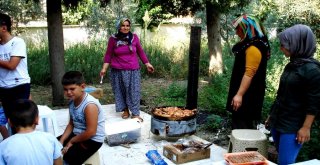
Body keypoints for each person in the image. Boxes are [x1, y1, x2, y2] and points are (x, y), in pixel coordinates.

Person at [265, 24, 320, 165]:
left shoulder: (313, 70)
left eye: (284, 44)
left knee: (285, 162)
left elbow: (314, 103)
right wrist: (271, 116)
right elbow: (281, 94)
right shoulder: (292, 65)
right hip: (279, 120)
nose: (281, 47)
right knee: (281, 159)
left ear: (297, 43)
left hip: (293, 125)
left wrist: (306, 127)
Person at [100, 17, 154, 122]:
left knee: (134, 91)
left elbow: (140, 52)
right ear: (119, 26)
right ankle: (125, 110)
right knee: (120, 91)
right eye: (123, 25)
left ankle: (135, 113)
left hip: (133, 70)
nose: (125, 27)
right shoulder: (113, 39)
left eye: (127, 25)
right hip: (117, 70)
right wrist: (104, 69)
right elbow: (108, 55)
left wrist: (147, 64)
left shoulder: (134, 37)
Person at [226, 14, 271, 129]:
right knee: (242, 128)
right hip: (246, 96)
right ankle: (242, 147)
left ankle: (243, 147)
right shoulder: (250, 44)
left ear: (246, 29)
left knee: (242, 129)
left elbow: (249, 74)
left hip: (248, 98)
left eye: (238, 29)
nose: (236, 32)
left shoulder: (253, 48)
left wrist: (239, 95)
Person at [58, 71, 105, 165]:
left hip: (92, 139)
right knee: (52, 145)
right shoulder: (72, 101)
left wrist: (72, 141)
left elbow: (91, 132)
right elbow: (71, 124)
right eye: (65, 89)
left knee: (68, 157)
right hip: (77, 134)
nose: (68, 92)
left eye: (72, 89)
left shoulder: (89, 105)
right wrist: (61, 141)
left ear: (82, 87)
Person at [0, 99, 63, 165]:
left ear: (10, 122)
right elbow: (58, 163)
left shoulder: (3, 146)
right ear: (37, 120)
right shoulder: (50, 138)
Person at [0, 13, 31, 128]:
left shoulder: (17, 42)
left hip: (19, 86)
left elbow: (12, 65)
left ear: (4, 28)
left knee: (22, 121)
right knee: (11, 120)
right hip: (3, 88)